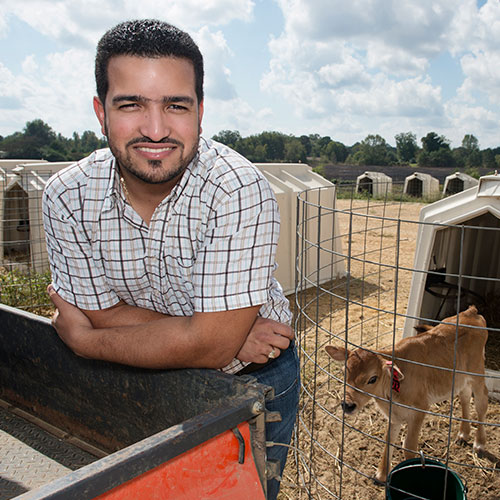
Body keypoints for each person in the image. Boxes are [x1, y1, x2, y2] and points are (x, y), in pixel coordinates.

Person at [42, 19, 299, 499]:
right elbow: (104, 314)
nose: (155, 129)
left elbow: (102, 325)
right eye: (130, 104)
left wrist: (87, 342)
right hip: (142, 371)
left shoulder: (237, 189)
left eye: (175, 105)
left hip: (255, 375)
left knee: (241, 492)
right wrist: (214, 336)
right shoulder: (67, 195)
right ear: (101, 112)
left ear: (201, 110)